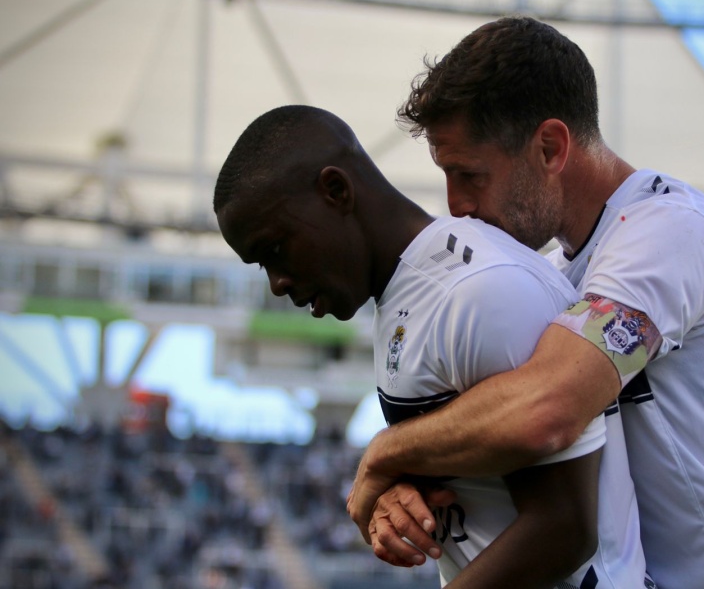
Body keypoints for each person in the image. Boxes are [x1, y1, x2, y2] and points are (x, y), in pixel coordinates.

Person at [346, 16, 704, 589]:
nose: (456, 205)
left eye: (470, 175)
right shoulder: (554, 275)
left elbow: (547, 412)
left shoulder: (669, 230)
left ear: (550, 147)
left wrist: (388, 451)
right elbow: (501, 432)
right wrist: (409, 485)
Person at [213, 105, 652, 588]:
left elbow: (565, 530)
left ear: (336, 191)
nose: (276, 283)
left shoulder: (481, 291)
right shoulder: (407, 290)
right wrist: (404, 483)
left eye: (275, 249)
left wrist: (391, 456)